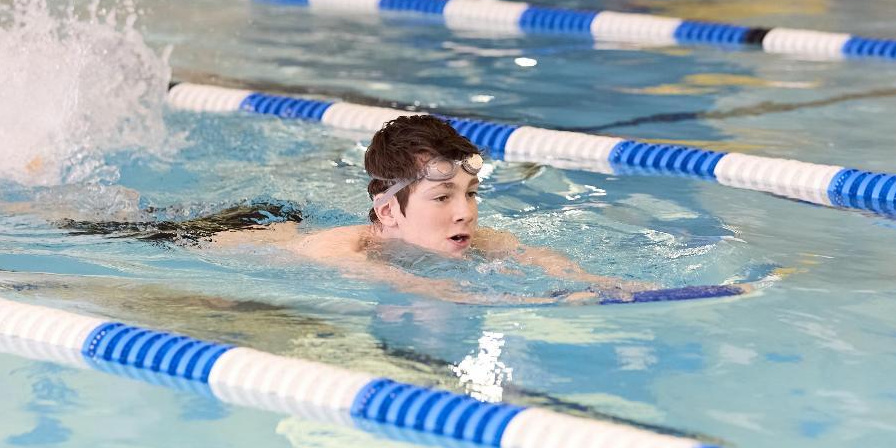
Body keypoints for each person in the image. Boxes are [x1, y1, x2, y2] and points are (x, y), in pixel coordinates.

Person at [205, 114, 657, 304]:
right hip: (219, 232)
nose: (465, 213)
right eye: (442, 198)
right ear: (387, 212)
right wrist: (538, 300)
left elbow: (540, 258)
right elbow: (429, 291)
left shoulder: (481, 239)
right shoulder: (342, 253)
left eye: (472, 193)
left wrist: (599, 285)